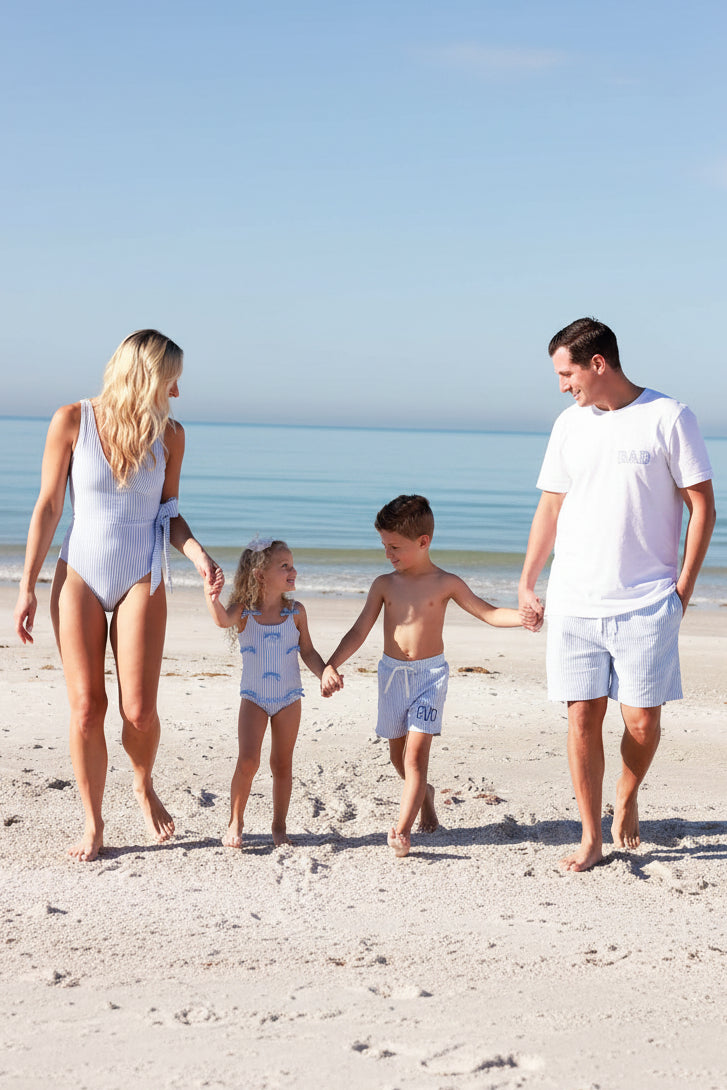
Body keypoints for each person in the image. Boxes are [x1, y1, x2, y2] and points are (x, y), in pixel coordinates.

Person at [13, 329, 224, 862]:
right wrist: (27, 586)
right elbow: (48, 508)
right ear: (148, 377)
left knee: (139, 713)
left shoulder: (172, 436)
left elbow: (169, 514)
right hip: (80, 573)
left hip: (141, 575)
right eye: (171, 381)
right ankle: (93, 822)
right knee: (87, 710)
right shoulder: (71, 420)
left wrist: (198, 556)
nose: (176, 394)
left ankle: (142, 781)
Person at [519, 317, 716, 873]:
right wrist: (528, 581)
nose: (563, 385)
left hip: (647, 602)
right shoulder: (568, 425)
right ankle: (590, 836)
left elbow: (702, 506)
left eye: (567, 373)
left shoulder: (669, 417)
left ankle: (626, 794)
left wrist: (683, 588)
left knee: (641, 725)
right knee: (581, 718)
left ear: (597, 363)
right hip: (576, 600)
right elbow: (550, 508)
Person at [321, 494, 526, 858]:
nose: (388, 554)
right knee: (397, 759)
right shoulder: (384, 585)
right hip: (391, 677)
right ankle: (426, 797)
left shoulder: (446, 583)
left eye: (395, 546)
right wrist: (330, 664)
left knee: (415, 757)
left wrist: (524, 618)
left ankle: (401, 830)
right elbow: (358, 631)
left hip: (429, 678)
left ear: (423, 542)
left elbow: (490, 613)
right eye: (384, 546)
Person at [203, 537, 337, 848]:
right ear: (261, 575)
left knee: (282, 764)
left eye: (292, 565)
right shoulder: (244, 612)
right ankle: (236, 821)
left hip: (289, 698)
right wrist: (212, 597)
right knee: (248, 761)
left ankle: (279, 827)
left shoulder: (296, 612)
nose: (293, 570)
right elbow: (222, 619)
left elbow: (308, 651)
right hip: (254, 698)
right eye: (285, 566)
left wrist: (325, 672)